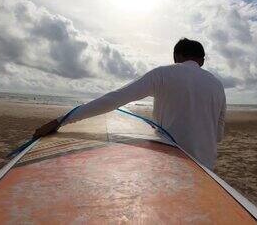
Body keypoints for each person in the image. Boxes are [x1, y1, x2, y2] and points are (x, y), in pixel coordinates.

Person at [34, 38, 226, 170]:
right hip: (206, 169)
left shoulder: (163, 74)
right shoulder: (218, 85)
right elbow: (217, 136)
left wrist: (62, 120)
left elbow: (114, 99)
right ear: (201, 60)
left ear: (176, 56)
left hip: (171, 163)